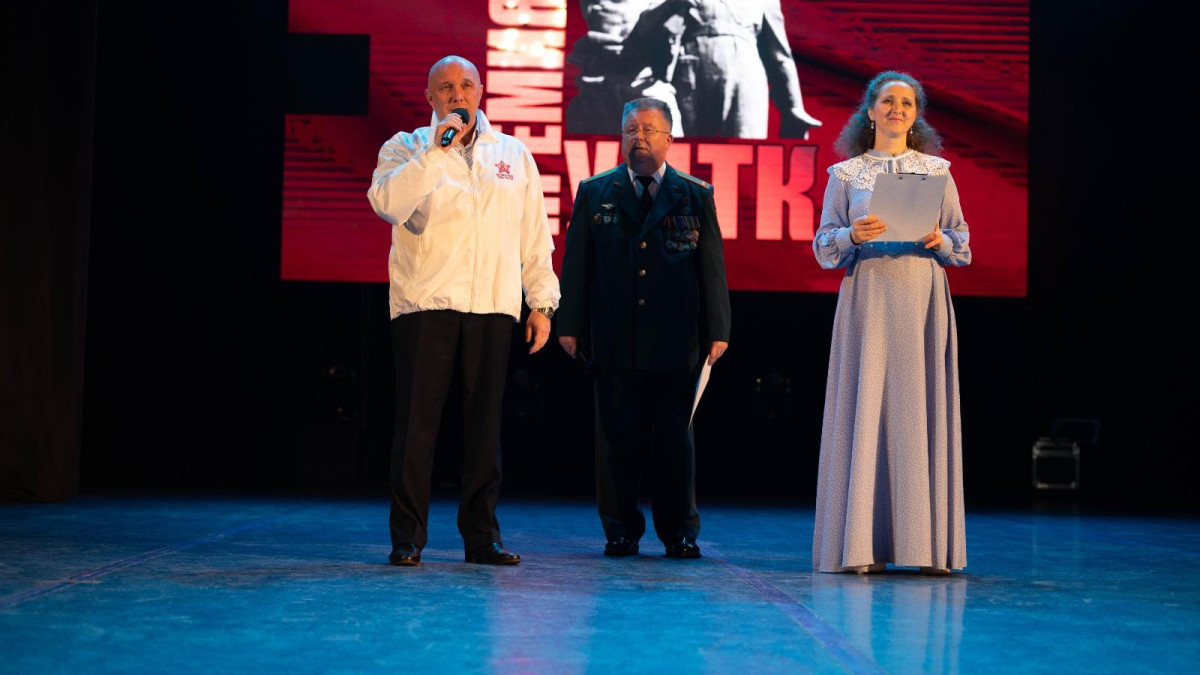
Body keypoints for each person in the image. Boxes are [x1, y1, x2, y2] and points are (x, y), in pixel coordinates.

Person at [367, 56, 561, 567]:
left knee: (483, 429)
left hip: (492, 305)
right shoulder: (405, 147)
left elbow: (534, 234)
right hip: (425, 304)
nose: (457, 94)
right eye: (446, 87)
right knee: (417, 427)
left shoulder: (513, 153)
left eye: (466, 85)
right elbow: (387, 204)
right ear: (430, 97)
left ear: (480, 92)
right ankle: (407, 538)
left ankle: (481, 537)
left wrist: (541, 301)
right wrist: (437, 151)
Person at [811, 71, 971, 575]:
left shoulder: (937, 171)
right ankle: (863, 546)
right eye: (888, 101)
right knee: (868, 411)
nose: (897, 109)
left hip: (921, 297)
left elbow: (961, 240)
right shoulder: (846, 174)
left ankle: (927, 549)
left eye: (907, 102)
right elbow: (823, 246)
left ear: (915, 114)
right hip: (870, 297)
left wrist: (941, 241)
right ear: (870, 111)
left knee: (919, 410)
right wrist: (851, 235)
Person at [558, 97, 731, 559]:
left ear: (669, 139)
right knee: (616, 441)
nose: (639, 138)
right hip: (613, 338)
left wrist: (719, 327)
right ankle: (620, 530)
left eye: (649, 130)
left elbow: (711, 267)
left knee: (675, 442)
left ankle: (680, 532)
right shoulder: (596, 190)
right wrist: (568, 324)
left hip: (676, 339)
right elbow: (577, 265)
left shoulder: (695, 193)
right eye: (631, 130)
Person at [619, 0, 822, 139]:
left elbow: (779, 54)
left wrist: (793, 106)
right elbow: (643, 29)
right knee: (689, 151)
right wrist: (673, 3)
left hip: (745, 73)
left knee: (745, 146)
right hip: (690, 72)